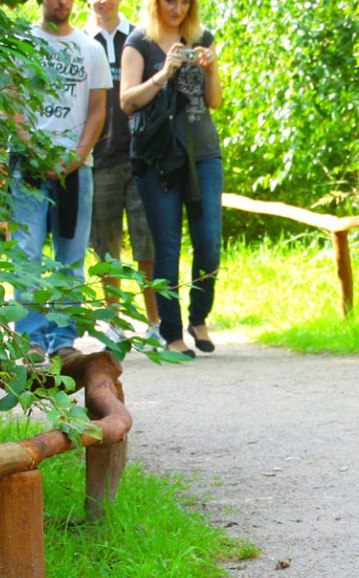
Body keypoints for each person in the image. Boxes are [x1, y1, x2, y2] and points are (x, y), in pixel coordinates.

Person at [120, 0, 223, 359]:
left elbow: (215, 101)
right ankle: (171, 332)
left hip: (203, 151)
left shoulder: (202, 37)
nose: (177, 8)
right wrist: (162, 74)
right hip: (158, 156)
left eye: (184, 1)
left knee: (209, 242)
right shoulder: (138, 42)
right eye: (170, 1)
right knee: (167, 245)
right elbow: (127, 101)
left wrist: (211, 70)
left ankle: (199, 317)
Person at [10, 0, 110, 356]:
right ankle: (30, 339)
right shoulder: (20, 43)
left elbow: (97, 110)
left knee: (71, 256)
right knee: (26, 254)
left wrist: (78, 155)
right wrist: (34, 151)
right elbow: (12, 104)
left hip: (76, 168)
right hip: (28, 165)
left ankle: (63, 340)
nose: (60, 2)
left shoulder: (90, 48)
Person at [87, 0, 158, 340]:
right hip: (99, 160)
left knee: (149, 243)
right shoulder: (83, 41)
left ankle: (155, 323)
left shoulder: (141, 37)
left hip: (142, 157)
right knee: (106, 244)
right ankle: (113, 322)